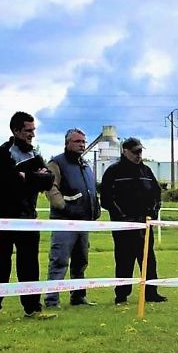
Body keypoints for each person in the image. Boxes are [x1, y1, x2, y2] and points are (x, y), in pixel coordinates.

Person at [0, 111, 54, 317]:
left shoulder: (35, 154)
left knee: (30, 263)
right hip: (4, 217)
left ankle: (32, 307)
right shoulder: (3, 153)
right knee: (2, 262)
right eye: (28, 130)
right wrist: (32, 178)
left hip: (28, 217)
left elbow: (48, 181)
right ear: (15, 130)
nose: (32, 134)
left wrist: (27, 177)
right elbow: (9, 182)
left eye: (34, 130)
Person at [99, 136, 168, 305]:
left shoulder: (146, 171)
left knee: (148, 260)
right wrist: (121, 216)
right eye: (135, 152)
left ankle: (151, 292)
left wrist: (154, 212)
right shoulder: (113, 171)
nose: (139, 155)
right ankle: (121, 295)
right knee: (124, 260)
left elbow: (156, 194)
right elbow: (106, 199)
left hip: (145, 224)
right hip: (123, 225)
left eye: (140, 151)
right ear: (125, 151)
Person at [44, 127, 101, 308]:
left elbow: (91, 189)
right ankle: (52, 300)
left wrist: (95, 209)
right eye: (77, 141)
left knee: (80, 262)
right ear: (67, 143)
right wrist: (63, 206)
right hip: (64, 222)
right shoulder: (56, 163)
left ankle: (78, 296)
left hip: (84, 222)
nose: (81, 145)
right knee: (59, 260)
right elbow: (50, 187)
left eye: (83, 142)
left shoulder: (84, 164)